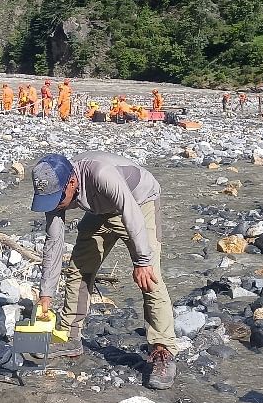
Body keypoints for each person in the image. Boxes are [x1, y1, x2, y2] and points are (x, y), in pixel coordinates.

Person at [30, 152, 179, 390]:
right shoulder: (55, 191)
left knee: (150, 277)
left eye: (58, 200)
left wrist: (141, 261)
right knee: (79, 267)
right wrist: (46, 293)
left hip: (139, 203)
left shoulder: (101, 174)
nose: (55, 206)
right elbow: (54, 242)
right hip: (100, 210)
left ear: (72, 182)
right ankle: (70, 335)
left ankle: (162, 350)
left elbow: (131, 213)